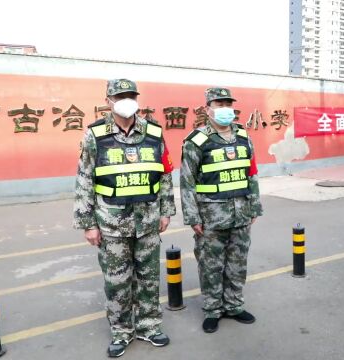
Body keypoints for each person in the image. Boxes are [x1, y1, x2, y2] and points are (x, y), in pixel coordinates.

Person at [73, 79, 176, 357]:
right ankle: (121, 331)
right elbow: (84, 179)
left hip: (148, 219)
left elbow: (165, 174)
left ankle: (149, 326)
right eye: (120, 96)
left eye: (131, 95)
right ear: (108, 100)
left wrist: (166, 210)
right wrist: (88, 224)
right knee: (117, 281)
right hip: (111, 222)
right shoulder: (95, 134)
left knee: (150, 277)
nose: (126, 100)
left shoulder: (153, 132)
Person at [180, 87, 263, 333]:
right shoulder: (197, 141)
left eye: (228, 103)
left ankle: (234, 305)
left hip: (241, 213)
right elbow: (186, 182)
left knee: (237, 263)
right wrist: (192, 216)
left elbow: (252, 173)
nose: (224, 108)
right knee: (210, 265)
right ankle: (212, 310)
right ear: (208, 108)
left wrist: (255, 205)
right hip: (210, 217)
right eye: (219, 103)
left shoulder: (243, 136)